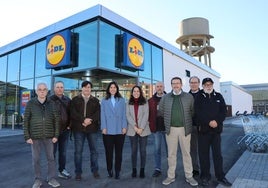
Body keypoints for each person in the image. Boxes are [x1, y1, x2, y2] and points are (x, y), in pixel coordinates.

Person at [159, 77, 198, 186]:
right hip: (171, 130)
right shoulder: (165, 97)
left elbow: (192, 111)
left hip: (185, 130)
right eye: (173, 83)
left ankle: (189, 176)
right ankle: (171, 176)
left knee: (186, 153)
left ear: (181, 85)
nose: (175, 85)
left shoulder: (189, 97)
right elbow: (161, 111)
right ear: (171, 85)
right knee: (171, 154)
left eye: (177, 83)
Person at [194, 77, 232, 187]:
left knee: (218, 155)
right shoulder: (198, 97)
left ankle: (220, 176)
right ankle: (205, 177)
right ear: (203, 86)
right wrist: (208, 122)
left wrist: (217, 121)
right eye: (206, 84)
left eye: (210, 84)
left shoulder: (219, 96)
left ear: (212, 85)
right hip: (203, 132)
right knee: (203, 155)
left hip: (216, 131)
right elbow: (198, 112)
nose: (208, 86)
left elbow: (223, 111)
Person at [23, 83, 60, 188]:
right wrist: (27, 136)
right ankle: (38, 180)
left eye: (44, 89)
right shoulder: (30, 103)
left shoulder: (52, 103)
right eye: (40, 89)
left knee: (51, 158)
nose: (42, 91)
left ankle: (51, 178)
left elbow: (56, 120)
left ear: (47, 91)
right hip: (34, 137)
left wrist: (56, 135)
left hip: (49, 136)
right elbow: (26, 121)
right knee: (36, 159)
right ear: (36, 91)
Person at [70, 81, 100, 181]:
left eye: (89, 87)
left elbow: (98, 113)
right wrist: (83, 120)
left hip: (92, 129)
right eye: (85, 87)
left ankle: (95, 171)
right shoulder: (75, 100)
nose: (87, 89)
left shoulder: (95, 100)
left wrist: (89, 120)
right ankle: (78, 173)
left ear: (91, 89)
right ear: (82, 88)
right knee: (78, 152)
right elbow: (73, 113)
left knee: (94, 151)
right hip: (78, 129)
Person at [101, 81, 127, 179]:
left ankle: (117, 171)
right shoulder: (104, 100)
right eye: (111, 87)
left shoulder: (121, 100)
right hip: (107, 131)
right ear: (108, 89)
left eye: (114, 87)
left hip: (120, 130)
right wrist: (103, 127)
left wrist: (124, 126)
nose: (113, 89)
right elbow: (102, 115)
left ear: (117, 89)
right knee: (109, 152)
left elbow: (124, 114)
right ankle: (109, 170)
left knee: (119, 152)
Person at [126, 85, 151, 178]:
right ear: (132, 93)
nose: (136, 93)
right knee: (133, 151)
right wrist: (135, 127)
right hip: (132, 130)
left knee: (143, 151)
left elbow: (146, 115)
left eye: (138, 91)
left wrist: (141, 128)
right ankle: (134, 169)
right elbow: (128, 115)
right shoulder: (128, 102)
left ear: (140, 92)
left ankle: (142, 170)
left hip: (143, 130)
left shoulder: (145, 102)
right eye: (134, 91)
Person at [50, 81, 72, 179]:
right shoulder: (49, 100)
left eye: (61, 87)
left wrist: (70, 126)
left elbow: (72, 114)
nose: (59, 89)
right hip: (53, 132)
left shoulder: (68, 100)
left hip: (65, 131)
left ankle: (62, 170)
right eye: (57, 87)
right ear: (54, 88)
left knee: (63, 152)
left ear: (64, 89)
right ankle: (51, 173)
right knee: (52, 153)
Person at [148, 82, 167, 177]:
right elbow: (148, 115)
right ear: (155, 88)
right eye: (158, 87)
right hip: (156, 129)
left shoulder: (169, 98)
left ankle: (171, 169)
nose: (159, 88)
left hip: (168, 129)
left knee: (170, 151)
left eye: (161, 86)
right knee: (157, 150)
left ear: (164, 87)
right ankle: (157, 168)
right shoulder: (151, 100)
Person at [188, 76, 201, 176]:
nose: (193, 84)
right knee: (193, 149)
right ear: (189, 84)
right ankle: (195, 168)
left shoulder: (203, 95)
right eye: (191, 82)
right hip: (191, 127)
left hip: (203, 126)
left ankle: (204, 168)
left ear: (199, 83)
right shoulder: (186, 96)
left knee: (203, 149)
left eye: (195, 82)